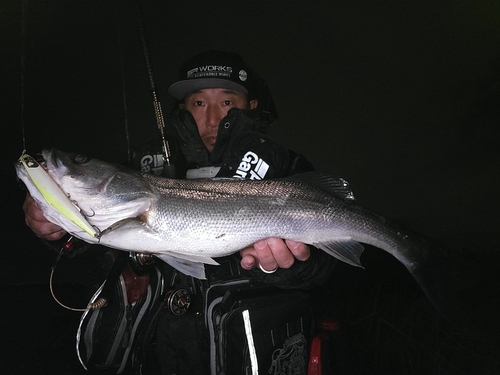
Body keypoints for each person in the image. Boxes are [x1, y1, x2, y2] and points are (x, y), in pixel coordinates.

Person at [22, 50, 338, 375]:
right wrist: (56, 228)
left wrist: (294, 266)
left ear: (251, 106)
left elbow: (329, 273)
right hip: (161, 357)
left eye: (227, 102)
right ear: (183, 109)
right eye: (198, 103)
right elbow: (100, 253)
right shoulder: (149, 169)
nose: (213, 118)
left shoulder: (287, 168)